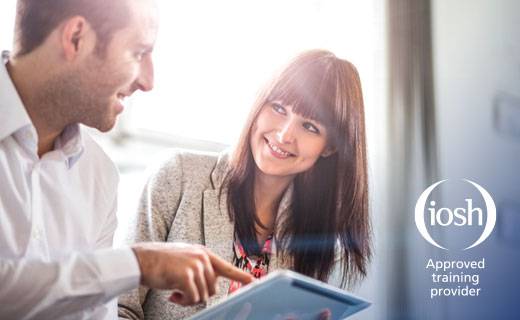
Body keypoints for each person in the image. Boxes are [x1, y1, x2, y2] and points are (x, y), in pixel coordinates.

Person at [0, 0, 253, 319]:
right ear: (76, 37)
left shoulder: (98, 173)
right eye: (138, 53)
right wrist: (138, 264)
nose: (148, 82)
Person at [118, 50, 371, 319]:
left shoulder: (320, 242)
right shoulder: (178, 177)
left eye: (309, 126)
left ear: (330, 146)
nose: (284, 135)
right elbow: (115, 308)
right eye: (278, 108)